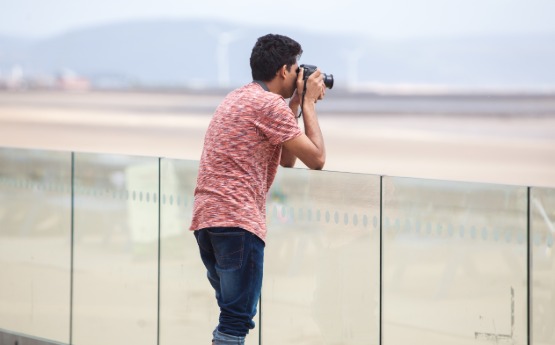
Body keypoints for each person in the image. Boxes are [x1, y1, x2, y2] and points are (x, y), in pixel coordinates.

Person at [190, 33, 326, 345]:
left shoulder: (237, 97)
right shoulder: (268, 106)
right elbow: (316, 159)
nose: (298, 75)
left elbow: (287, 159)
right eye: (296, 70)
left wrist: (293, 104)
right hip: (237, 222)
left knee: (230, 315)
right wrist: (307, 103)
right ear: (283, 71)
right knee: (235, 323)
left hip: (207, 222)